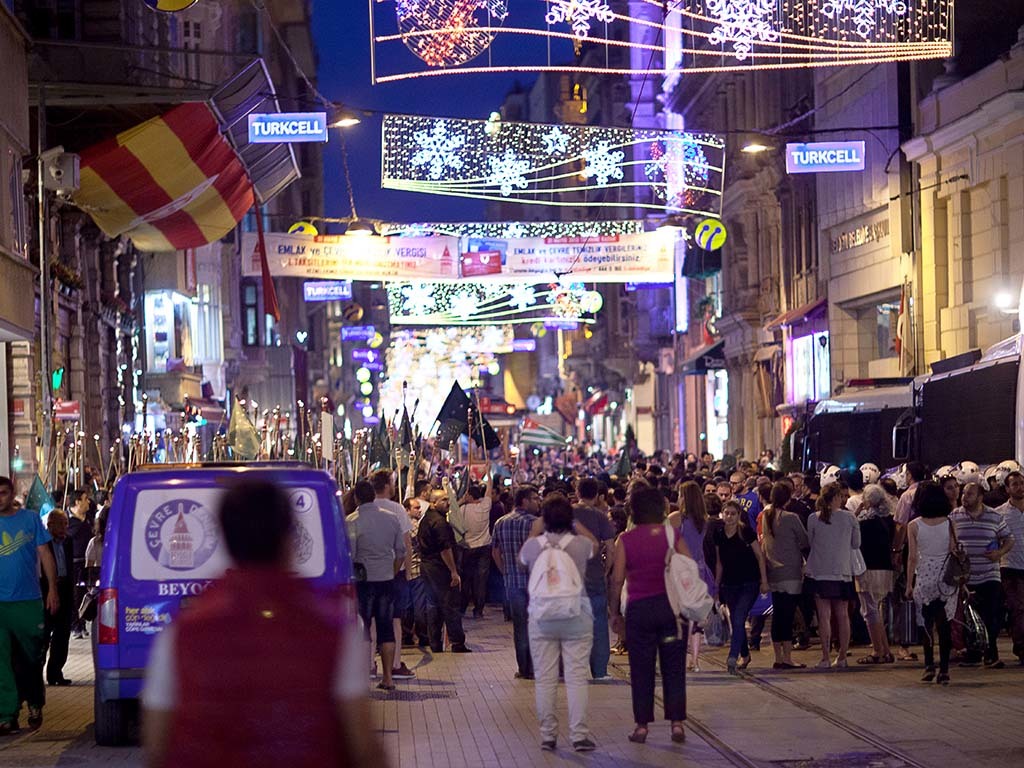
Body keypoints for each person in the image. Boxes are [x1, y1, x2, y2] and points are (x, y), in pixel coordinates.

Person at [141, 478, 378, 767]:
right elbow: (364, 749)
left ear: (226, 539)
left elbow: (157, 748)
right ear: (288, 538)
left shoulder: (182, 634)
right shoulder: (333, 629)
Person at [609, 485, 689, 745]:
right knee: (673, 667)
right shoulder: (671, 535)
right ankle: (676, 724)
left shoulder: (626, 539)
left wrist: (614, 612)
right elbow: (690, 569)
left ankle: (642, 726)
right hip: (671, 611)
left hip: (640, 611)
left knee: (641, 669)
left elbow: (617, 579)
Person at [519, 493, 597, 752]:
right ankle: (579, 735)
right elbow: (596, 544)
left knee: (545, 678)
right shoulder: (579, 545)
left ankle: (548, 735)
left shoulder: (534, 546)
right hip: (576, 614)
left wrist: (535, 529)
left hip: (542, 618)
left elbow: (523, 559)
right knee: (576, 677)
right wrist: (575, 521)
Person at [0, 475, 59, 735]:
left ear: (11, 493)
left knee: (31, 657)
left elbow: (45, 554)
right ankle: (7, 713)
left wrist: (53, 589)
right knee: (1, 661)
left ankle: (35, 701)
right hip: (1, 605)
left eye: (2, 493)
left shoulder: (30, 519)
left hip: (28, 600)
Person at [348, 480, 406, 691]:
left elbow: (351, 555)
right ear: (373, 495)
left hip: (363, 583)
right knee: (386, 628)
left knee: (363, 629)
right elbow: (401, 552)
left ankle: (364, 678)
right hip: (386, 580)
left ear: (356, 498)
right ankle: (388, 677)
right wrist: (392, 569)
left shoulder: (352, 521)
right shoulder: (391, 519)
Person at [951, 481, 1014, 667]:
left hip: (989, 574)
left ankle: (991, 653)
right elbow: (950, 540)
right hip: (966, 576)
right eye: (963, 493)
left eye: (969, 494)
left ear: (980, 497)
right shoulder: (954, 516)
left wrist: (999, 553)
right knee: (970, 616)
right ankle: (973, 653)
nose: (964, 497)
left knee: (992, 614)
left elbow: (1009, 539)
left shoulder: (994, 516)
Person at [905, 481, 958, 684]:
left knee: (925, 624)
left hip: (925, 576)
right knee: (944, 625)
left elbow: (912, 558)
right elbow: (954, 551)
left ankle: (928, 666)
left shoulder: (914, 525)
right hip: (946, 579)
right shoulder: (950, 523)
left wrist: (909, 584)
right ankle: (944, 669)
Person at [806, 483, 860, 669]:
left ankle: (825, 657)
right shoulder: (850, 518)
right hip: (843, 572)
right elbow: (856, 544)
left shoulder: (814, 518)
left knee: (824, 616)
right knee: (843, 615)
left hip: (820, 572)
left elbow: (810, 543)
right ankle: (842, 657)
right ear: (837, 497)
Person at [714, 499, 769, 674]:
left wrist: (764, 580)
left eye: (733, 513)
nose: (729, 517)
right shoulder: (719, 533)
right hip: (729, 584)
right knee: (737, 620)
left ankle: (732, 656)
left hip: (749, 582)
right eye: (726, 513)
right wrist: (717, 585)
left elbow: (759, 556)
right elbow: (719, 562)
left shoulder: (745, 532)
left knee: (738, 617)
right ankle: (745, 654)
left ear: (738, 515)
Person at [370, 470, 416, 680]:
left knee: (370, 620)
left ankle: (369, 663)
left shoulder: (363, 508)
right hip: (393, 570)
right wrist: (408, 570)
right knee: (395, 619)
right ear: (388, 486)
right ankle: (395, 663)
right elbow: (406, 543)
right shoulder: (397, 509)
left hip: (369, 571)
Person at [492, 486, 541, 679]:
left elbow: (495, 551)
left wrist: (505, 571)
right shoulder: (535, 524)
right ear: (524, 501)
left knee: (520, 626)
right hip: (535, 584)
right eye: (535, 499)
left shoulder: (501, 523)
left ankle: (523, 668)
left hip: (513, 582)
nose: (538, 502)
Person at [570, 477, 616, 681]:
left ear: (577, 492)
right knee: (598, 624)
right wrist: (605, 570)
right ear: (597, 495)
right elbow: (611, 548)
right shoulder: (600, 516)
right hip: (594, 575)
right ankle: (599, 671)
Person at [760, 483, 809, 669]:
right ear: (788, 498)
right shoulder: (791, 518)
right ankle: (787, 658)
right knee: (787, 616)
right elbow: (804, 540)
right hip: (791, 571)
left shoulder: (766, 516)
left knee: (778, 614)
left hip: (773, 572)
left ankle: (778, 657)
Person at [417, 484, 470, 653]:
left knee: (433, 605)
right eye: (444, 500)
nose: (448, 503)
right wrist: (453, 571)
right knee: (450, 605)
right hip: (440, 569)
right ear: (433, 503)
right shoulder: (440, 523)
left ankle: (434, 642)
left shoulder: (426, 519)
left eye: (448, 499)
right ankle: (457, 642)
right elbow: (445, 549)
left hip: (427, 567)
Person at [668, 482, 714, 671]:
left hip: (680, 571)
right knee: (695, 618)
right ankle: (694, 660)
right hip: (700, 570)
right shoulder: (704, 519)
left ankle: (679, 658)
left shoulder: (676, 518)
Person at [854, 484, 895, 665]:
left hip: (867, 568)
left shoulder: (864, 522)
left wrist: (857, 512)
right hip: (885, 568)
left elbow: (854, 540)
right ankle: (886, 650)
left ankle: (877, 650)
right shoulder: (888, 519)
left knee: (869, 611)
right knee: (876, 609)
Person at [40, 510, 75, 686]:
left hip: (65, 590)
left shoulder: (68, 542)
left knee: (62, 635)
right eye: (61, 524)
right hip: (46, 591)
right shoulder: (42, 543)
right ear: (50, 524)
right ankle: (36, 673)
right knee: (44, 634)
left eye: (66, 524)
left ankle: (56, 673)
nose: (64, 528)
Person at [998, 471, 1024, 664]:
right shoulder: (999, 513)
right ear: (1007, 489)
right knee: (1017, 608)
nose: (1019, 487)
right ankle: (1021, 646)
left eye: (1022, 483)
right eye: (1014, 484)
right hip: (1010, 566)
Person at [66, 488, 92, 640]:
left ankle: (81, 623)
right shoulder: (67, 521)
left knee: (84, 595)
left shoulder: (87, 519)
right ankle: (74, 625)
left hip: (87, 563)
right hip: (73, 564)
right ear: (77, 502)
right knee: (74, 595)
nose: (88, 501)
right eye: (85, 499)